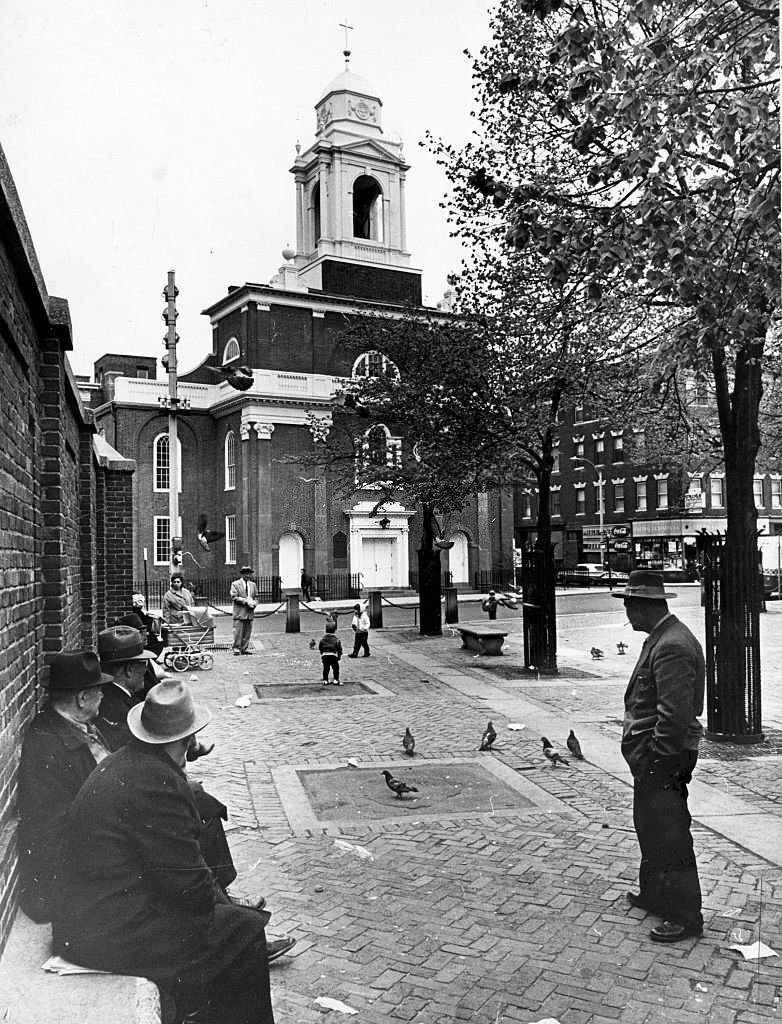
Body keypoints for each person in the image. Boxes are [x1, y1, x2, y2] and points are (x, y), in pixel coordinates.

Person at [52, 679, 292, 1023]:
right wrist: (221, 906)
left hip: (92, 916)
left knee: (228, 925)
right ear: (186, 737)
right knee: (245, 930)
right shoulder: (157, 782)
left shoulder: (130, 761)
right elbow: (190, 890)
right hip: (105, 931)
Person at [96, 625, 238, 893]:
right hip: (135, 794)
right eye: (142, 663)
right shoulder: (115, 705)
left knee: (201, 802)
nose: (146, 668)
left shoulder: (120, 697)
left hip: (136, 784)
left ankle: (218, 889)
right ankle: (217, 891)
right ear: (127, 670)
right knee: (200, 808)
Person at [613, 570, 705, 943]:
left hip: (665, 756)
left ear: (646, 606)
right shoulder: (661, 637)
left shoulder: (672, 645)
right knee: (650, 828)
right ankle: (655, 894)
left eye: (630, 605)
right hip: (654, 755)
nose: (627, 614)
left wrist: (654, 756)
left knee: (669, 835)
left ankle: (685, 916)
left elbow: (674, 715)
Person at [16, 650, 113, 923]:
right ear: (82, 698)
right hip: (70, 869)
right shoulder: (48, 744)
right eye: (98, 691)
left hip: (89, 841)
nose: (103, 695)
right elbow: (57, 825)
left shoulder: (70, 725)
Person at [230, 565, 258, 656]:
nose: (248, 576)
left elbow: (256, 597)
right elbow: (234, 597)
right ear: (242, 574)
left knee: (247, 632)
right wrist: (245, 601)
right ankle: (236, 649)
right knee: (238, 632)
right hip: (240, 612)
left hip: (249, 612)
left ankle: (244, 648)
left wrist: (254, 603)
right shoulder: (235, 584)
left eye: (249, 574)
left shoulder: (253, 585)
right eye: (246, 574)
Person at [318, 620, 343, 685]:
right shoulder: (336, 639)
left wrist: (322, 653)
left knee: (326, 668)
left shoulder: (322, 639)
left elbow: (320, 647)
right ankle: (335, 679)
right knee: (336, 668)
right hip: (333, 655)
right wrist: (339, 656)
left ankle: (325, 680)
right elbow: (339, 649)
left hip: (325, 655)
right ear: (334, 630)